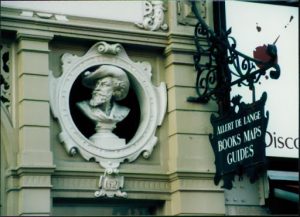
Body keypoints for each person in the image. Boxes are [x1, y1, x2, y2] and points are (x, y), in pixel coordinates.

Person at [76, 65, 130, 148]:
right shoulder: (83, 106)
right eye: (97, 84)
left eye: (104, 85)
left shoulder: (123, 111)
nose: (97, 89)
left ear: (115, 90)